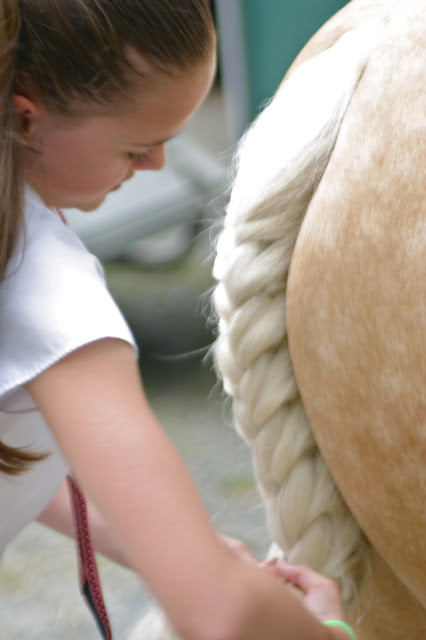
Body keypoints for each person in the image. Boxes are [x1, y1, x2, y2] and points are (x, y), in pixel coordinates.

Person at [0, 2, 354, 639]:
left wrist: (166, 544)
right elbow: (223, 616)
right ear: (27, 119)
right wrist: (327, 633)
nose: (159, 165)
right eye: (136, 149)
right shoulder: (55, 295)